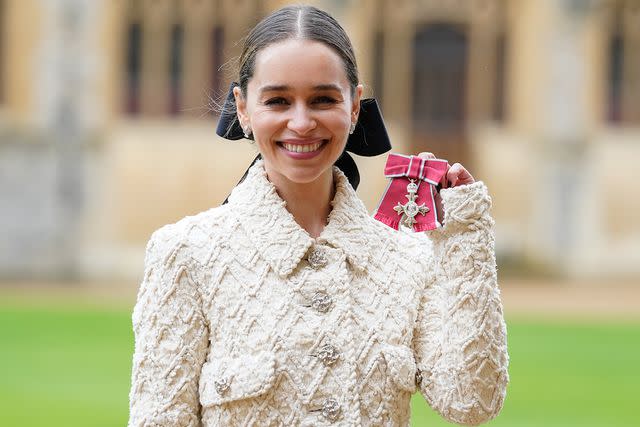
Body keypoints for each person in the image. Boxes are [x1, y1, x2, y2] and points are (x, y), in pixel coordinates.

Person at [127, 5, 509, 426]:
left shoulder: (409, 259)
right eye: (278, 100)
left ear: (355, 106)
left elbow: (472, 403)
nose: (302, 122)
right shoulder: (184, 254)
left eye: (323, 99)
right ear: (243, 108)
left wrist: (464, 233)